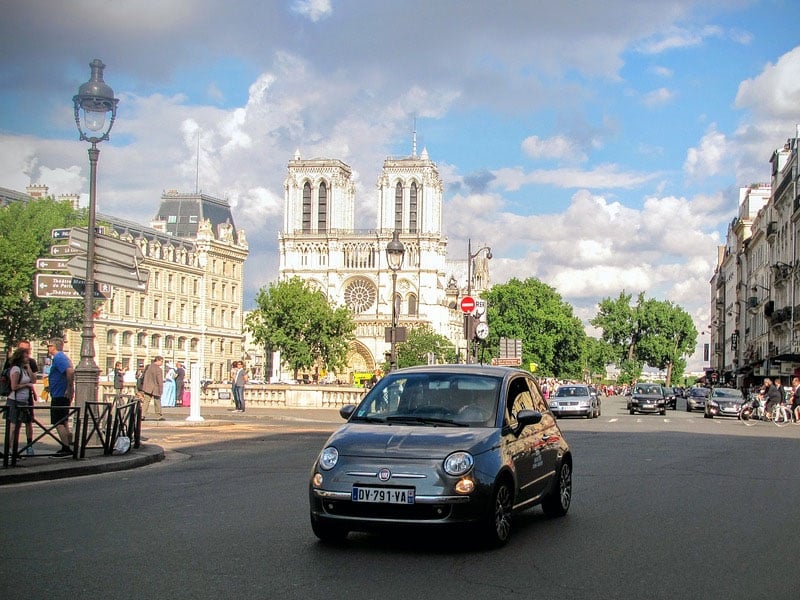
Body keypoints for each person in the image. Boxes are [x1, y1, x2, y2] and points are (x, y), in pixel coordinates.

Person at [5, 346, 37, 456]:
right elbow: (14, 386)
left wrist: (28, 367)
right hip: (15, 400)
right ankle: (9, 450)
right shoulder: (16, 369)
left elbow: (33, 380)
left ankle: (15, 451)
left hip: (24, 401)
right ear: (20, 357)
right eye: (26, 356)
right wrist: (26, 385)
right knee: (13, 426)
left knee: (25, 423)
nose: (28, 357)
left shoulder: (24, 369)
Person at [47, 339, 74, 457]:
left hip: (60, 394)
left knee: (58, 422)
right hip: (61, 393)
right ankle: (68, 445)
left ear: (54, 347)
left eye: (49, 345)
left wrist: (69, 387)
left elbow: (69, 371)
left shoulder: (59, 357)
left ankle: (66, 447)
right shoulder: (62, 357)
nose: (48, 348)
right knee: (64, 421)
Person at [140, 356, 165, 421]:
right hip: (155, 388)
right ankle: (159, 416)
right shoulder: (159, 369)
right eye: (161, 361)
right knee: (157, 402)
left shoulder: (148, 367)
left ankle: (142, 415)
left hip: (147, 387)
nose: (162, 363)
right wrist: (161, 389)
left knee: (146, 402)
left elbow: (144, 377)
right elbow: (160, 381)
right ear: (158, 360)